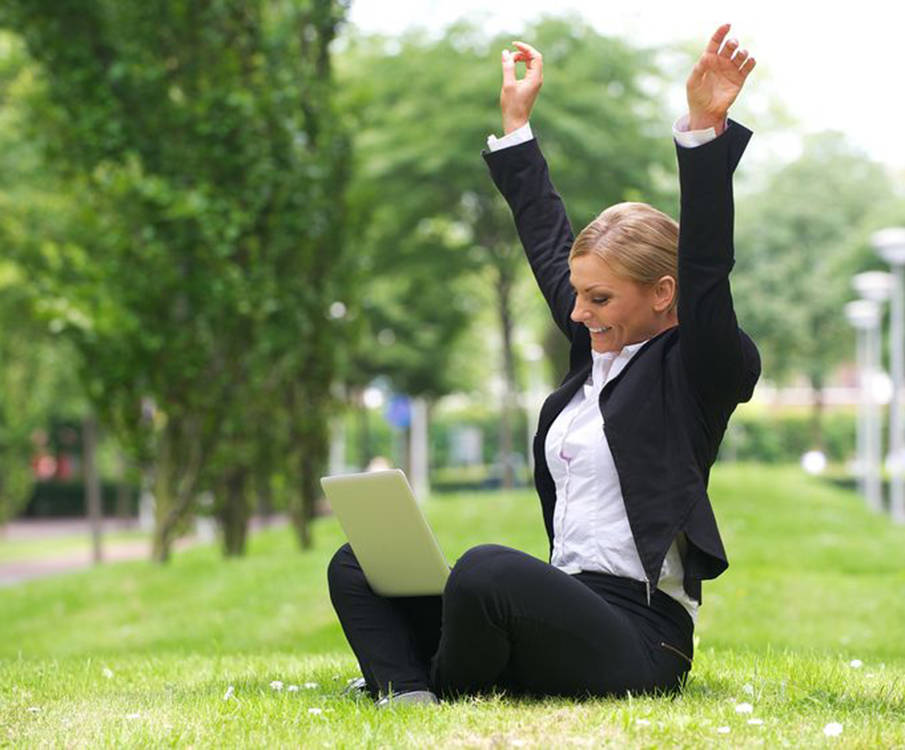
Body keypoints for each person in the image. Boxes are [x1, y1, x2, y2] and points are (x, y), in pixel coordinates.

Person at [328, 23, 760, 705]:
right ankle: (409, 693)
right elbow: (544, 233)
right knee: (359, 564)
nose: (579, 312)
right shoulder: (596, 351)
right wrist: (516, 124)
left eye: (598, 297)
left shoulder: (699, 368)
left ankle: (424, 679)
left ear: (662, 293)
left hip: (640, 636)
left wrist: (703, 132)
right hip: (557, 610)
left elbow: (707, 267)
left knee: (484, 570)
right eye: (577, 294)